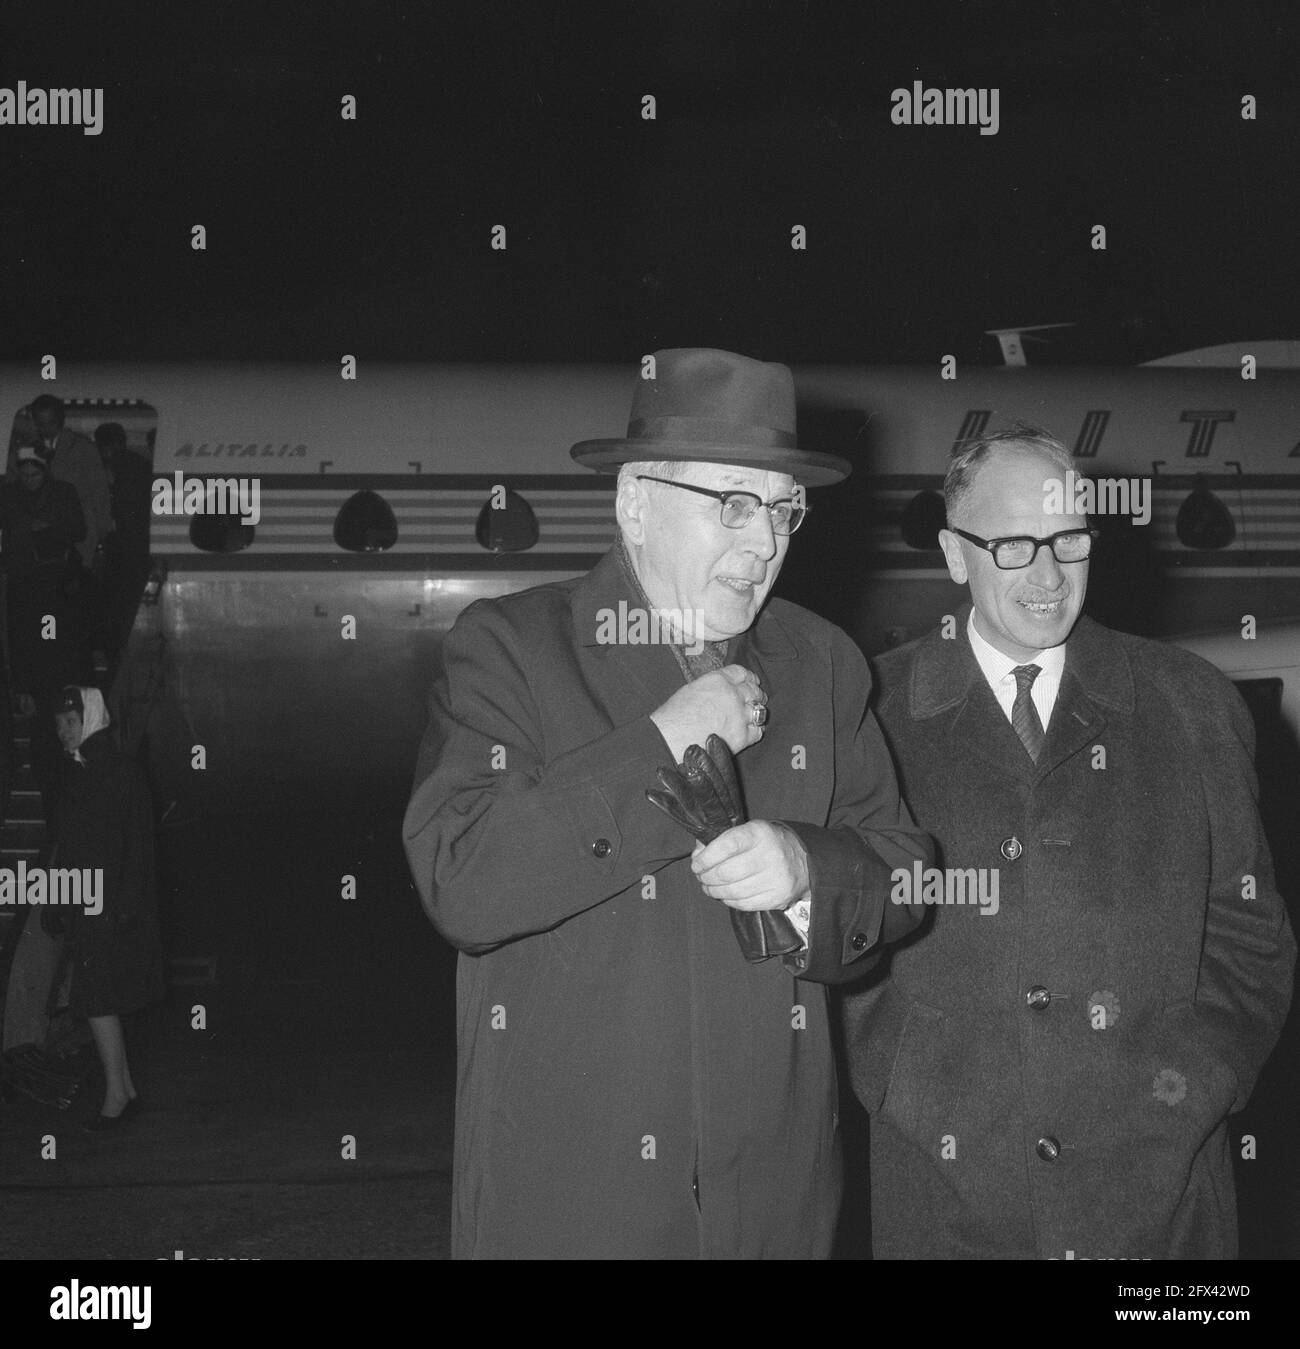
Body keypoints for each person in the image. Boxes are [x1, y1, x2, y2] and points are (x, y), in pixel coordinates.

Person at [404, 348, 931, 1259]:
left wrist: (812, 869)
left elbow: (907, 871)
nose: (764, 541)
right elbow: (464, 879)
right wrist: (663, 743)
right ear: (634, 502)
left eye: (782, 508)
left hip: (772, 1207)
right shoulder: (511, 649)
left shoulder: (823, 663)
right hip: (572, 1208)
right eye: (732, 501)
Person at [848, 425, 1296, 1259]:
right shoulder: (872, 714)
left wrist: (1190, 1090)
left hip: (1161, 1204)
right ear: (954, 553)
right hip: (944, 1196)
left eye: (1069, 541)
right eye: (1013, 546)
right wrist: (910, 1084)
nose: (1049, 576)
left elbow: (1248, 932)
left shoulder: (1191, 704)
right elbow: (847, 936)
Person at [51, 686, 162, 1131]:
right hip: (90, 904)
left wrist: (126, 902)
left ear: (92, 720)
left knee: (97, 999)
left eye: (71, 723)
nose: (63, 732)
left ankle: (116, 1094)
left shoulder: (117, 773)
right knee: (100, 998)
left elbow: (138, 844)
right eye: (58, 724)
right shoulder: (83, 773)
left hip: (107, 906)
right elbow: (70, 846)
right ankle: (125, 1089)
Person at [1, 445, 92, 826]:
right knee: (53, 749)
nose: (28, 478)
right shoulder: (61, 587)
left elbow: (27, 639)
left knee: (55, 750)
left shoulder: (66, 586)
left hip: (53, 682)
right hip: (54, 681)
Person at [9, 394, 113, 572]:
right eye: (41, 424)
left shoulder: (83, 448)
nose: (47, 429)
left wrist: (103, 532)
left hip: (78, 536)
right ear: (34, 421)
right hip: (35, 538)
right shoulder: (24, 448)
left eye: (52, 423)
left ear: (62, 420)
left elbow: (99, 492)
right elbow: (13, 487)